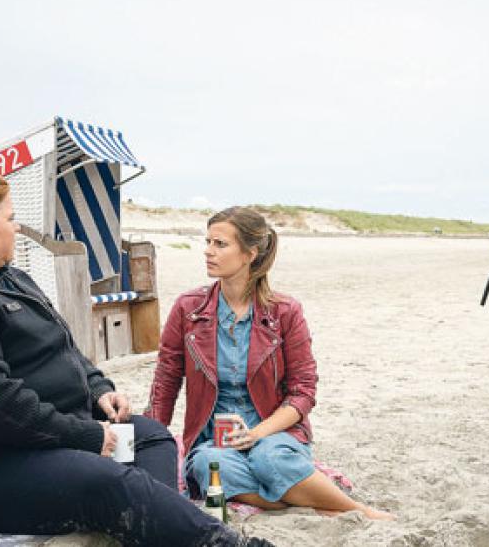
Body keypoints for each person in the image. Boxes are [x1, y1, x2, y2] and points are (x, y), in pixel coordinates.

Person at [0, 169, 272, 546]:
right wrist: (86, 436)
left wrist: (97, 388)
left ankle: (157, 526)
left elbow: (63, 348)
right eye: (10, 218)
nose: (17, 227)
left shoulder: (9, 278)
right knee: (104, 480)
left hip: (43, 437)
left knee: (150, 437)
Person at [146, 206, 393, 520]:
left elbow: (303, 391)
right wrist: (151, 436)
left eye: (220, 244)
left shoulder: (285, 311)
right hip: (215, 437)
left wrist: (258, 433)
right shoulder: (188, 308)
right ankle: (309, 502)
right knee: (210, 466)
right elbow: (166, 378)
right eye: (207, 242)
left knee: (270, 459)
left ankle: (358, 510)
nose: (208, 251)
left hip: (276, 431)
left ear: (250, 254)